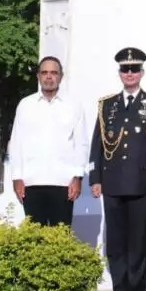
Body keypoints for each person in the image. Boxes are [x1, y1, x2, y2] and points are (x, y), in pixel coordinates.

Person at [89, 47, 146, 291]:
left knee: (138, 242)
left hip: (142, 184)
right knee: (116, 243)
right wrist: (95, 177)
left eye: (134, 69)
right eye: (125, 69)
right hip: (112, 183)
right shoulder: (107, 105)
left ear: (142, 72)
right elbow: (97, 144)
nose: (130, 73)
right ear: (120, 73)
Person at [8, 56, 87, 228]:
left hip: (63, 183)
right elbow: (16, 143)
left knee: (61, 235)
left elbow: (81, 143)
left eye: (53, 73)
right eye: (44, 72)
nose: (49, 77)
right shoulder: (25, 105)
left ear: (61, 76)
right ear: (38, 76)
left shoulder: (73, 105)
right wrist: (17, 177)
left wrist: (77, 177)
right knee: (35, 237)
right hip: (31, 182)